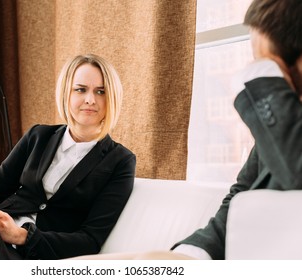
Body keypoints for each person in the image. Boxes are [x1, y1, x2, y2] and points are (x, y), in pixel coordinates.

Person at [72, 0, 302, 260]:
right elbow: (240, 195)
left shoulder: (284, 133)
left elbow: (296, 173)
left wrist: (263, 81)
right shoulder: (281, 133)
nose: (253, 68)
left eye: (265, 62)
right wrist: (191, 253)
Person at [0, 54, 136, 260]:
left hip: (31, 254)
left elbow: (90, 240)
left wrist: (20, 235)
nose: (90, 99)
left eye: (101, 92)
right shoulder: (38, 136)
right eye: (80, 89)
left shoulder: (120, 161)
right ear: (66, 94)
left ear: (112, 97)